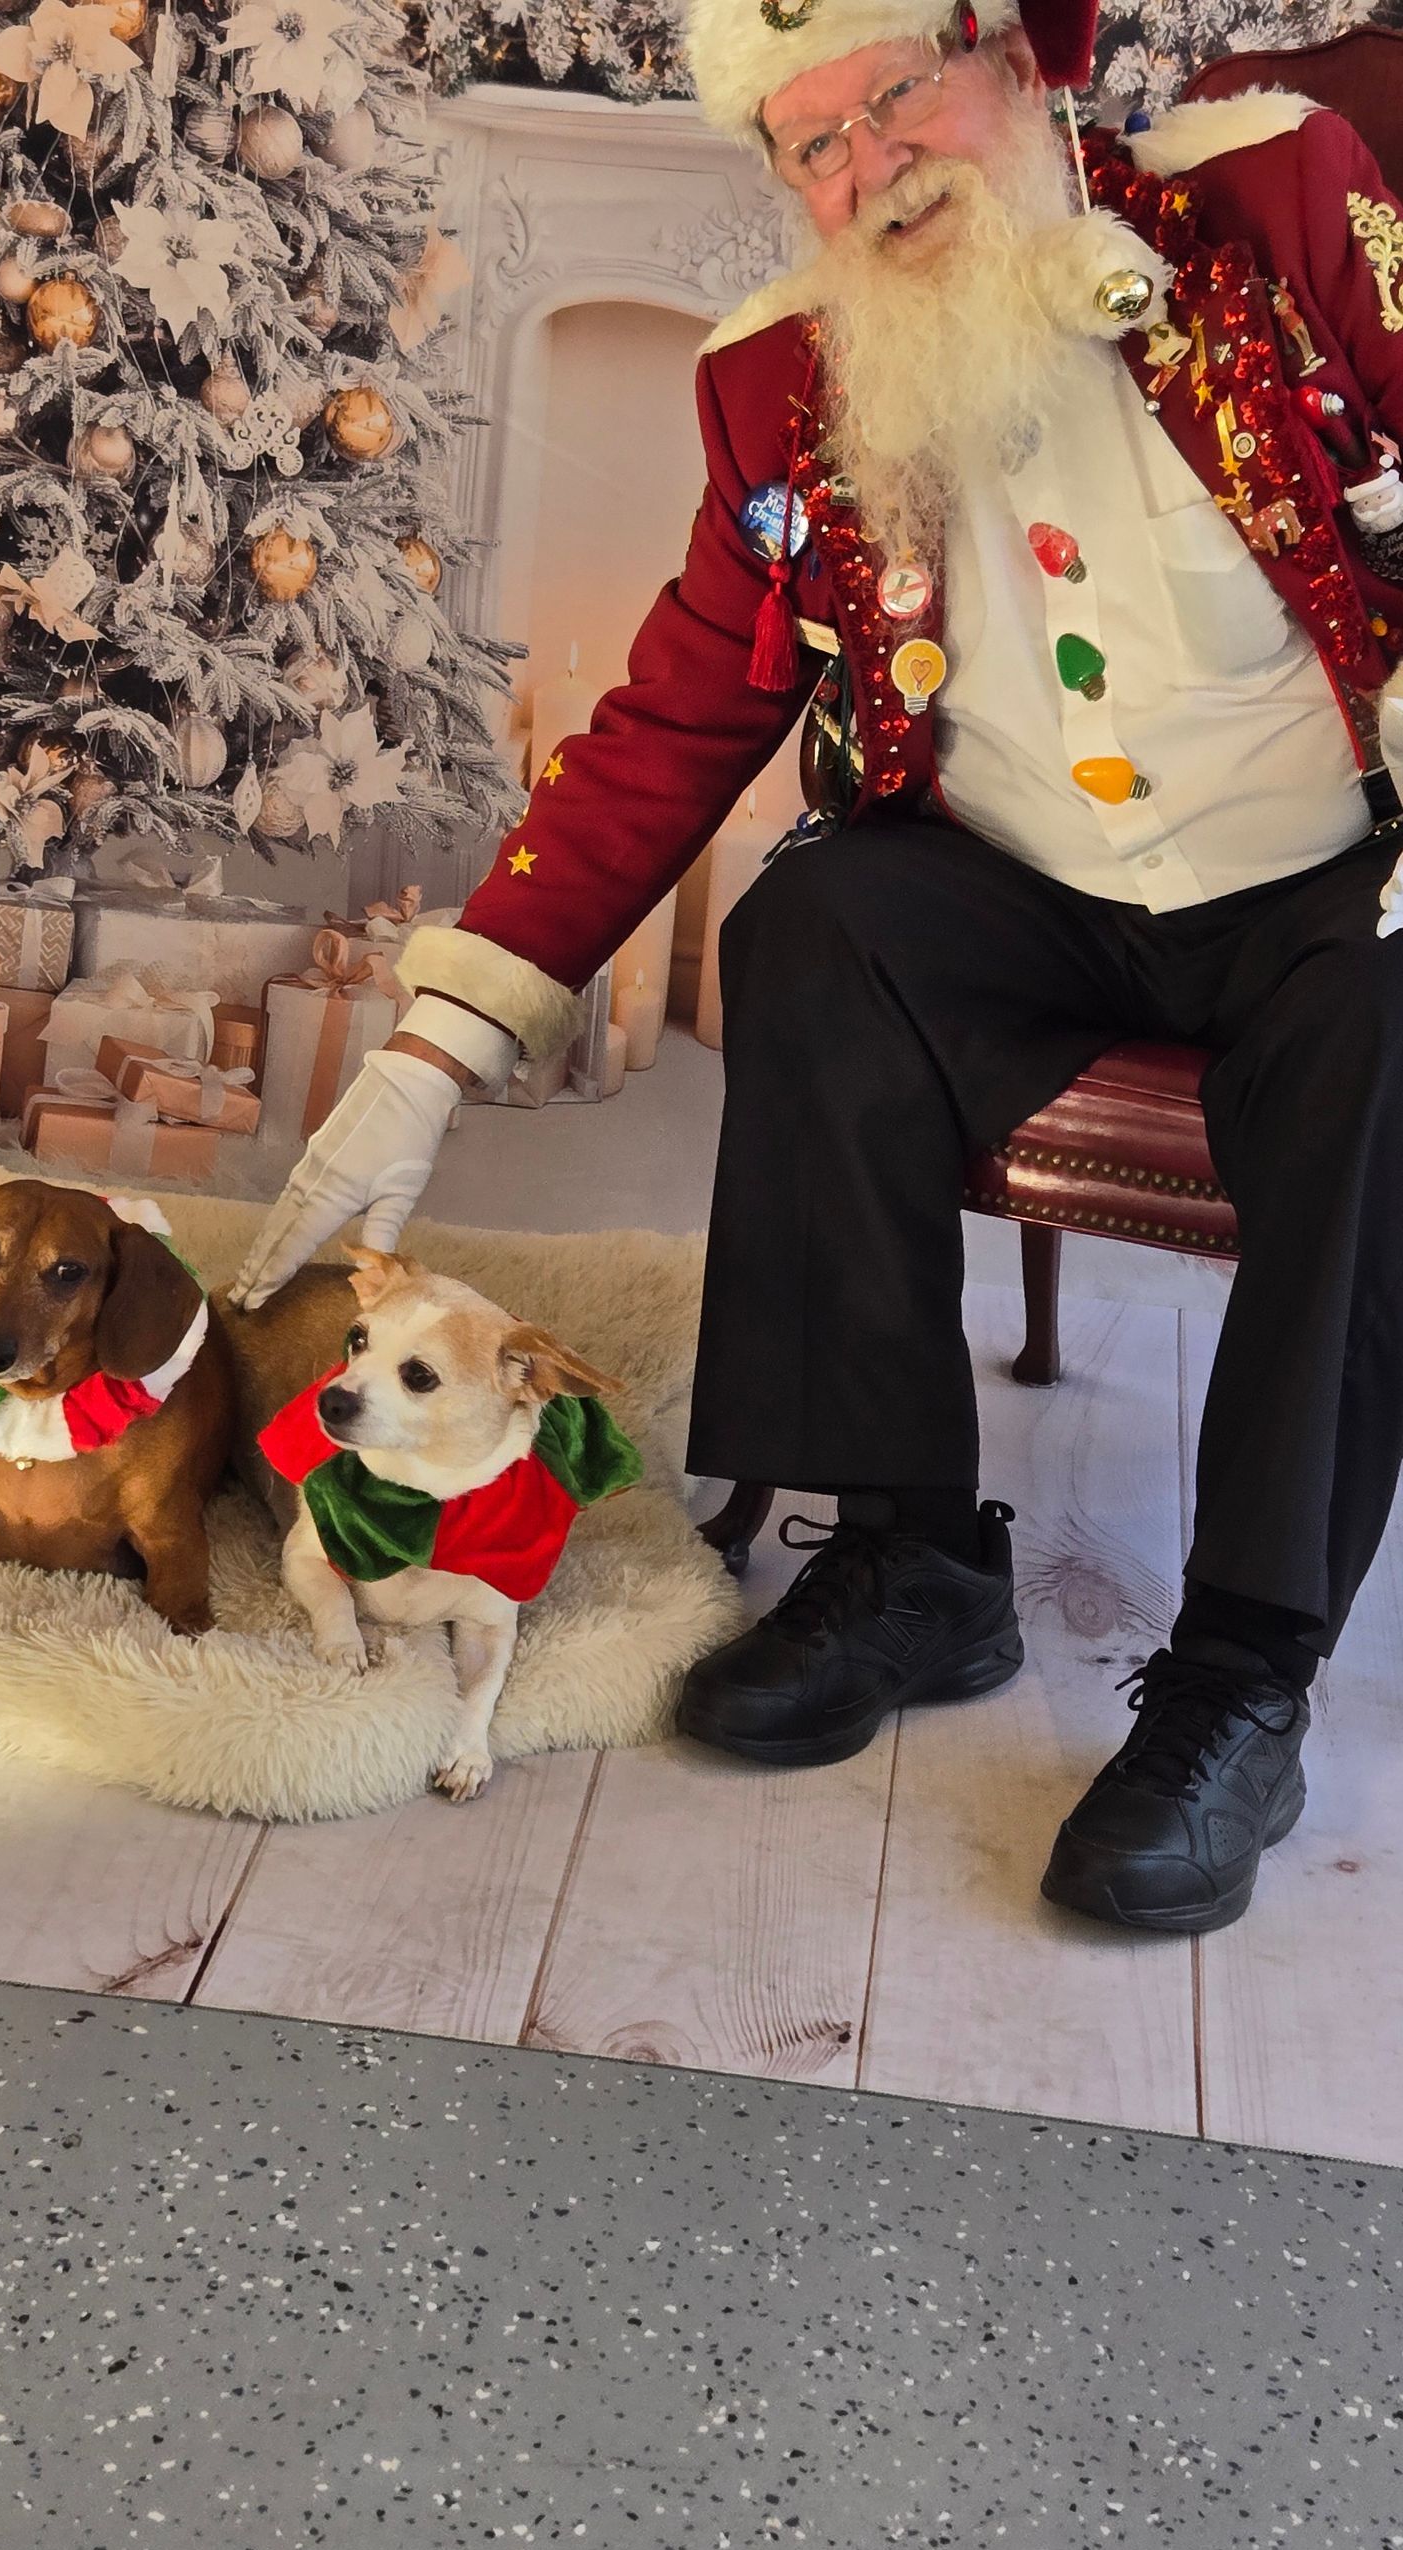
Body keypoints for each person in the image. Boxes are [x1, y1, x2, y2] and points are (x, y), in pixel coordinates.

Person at [230, 0, 1403, 1938]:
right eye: (813, 143)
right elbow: (672, 723)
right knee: (817, 924)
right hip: (1028, 896)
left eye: (896, 95)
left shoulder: (1268, 199)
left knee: (1386, 1023)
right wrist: (434, 1053)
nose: (873, 168)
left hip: (1328, 888)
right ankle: (911, 1554)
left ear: (1012, 57)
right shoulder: (779, 381)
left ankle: (1242, 1676)